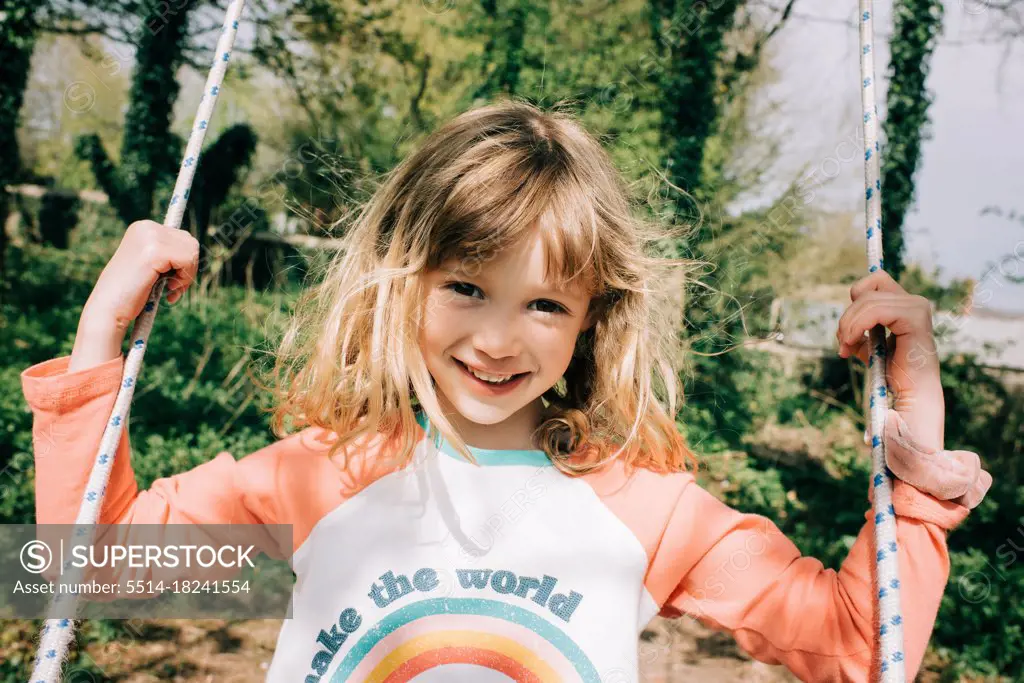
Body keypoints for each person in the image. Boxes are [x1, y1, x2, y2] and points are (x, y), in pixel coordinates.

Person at [21, 99, 991, 683]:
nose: (494, 338)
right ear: (405, 277)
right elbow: (91, 576)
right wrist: (101, 334)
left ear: (587, 320)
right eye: (465, 287)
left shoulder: (641, 510)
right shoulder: (327, 475)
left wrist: (914, 426)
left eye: (540, 304)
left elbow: (865, 651)